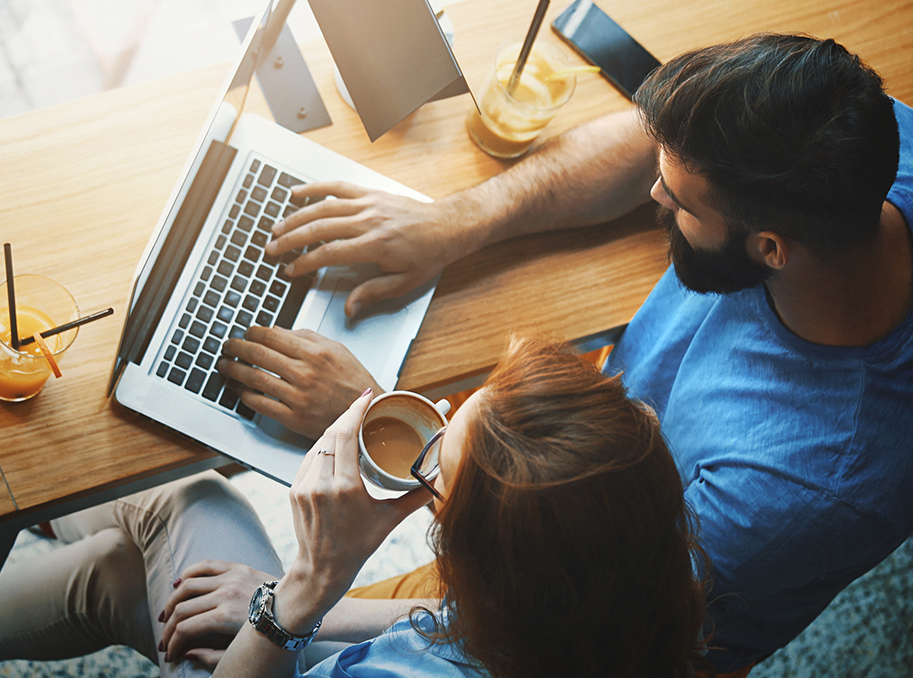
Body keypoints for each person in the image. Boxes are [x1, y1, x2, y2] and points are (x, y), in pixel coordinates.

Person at [214, 34, 913, 674]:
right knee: (132, 560)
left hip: (581, 619)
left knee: (178, 574)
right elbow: (655, 146)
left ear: (769, 249)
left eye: (679, 201)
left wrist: (388, 446)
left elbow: (559, 608)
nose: (653, 192)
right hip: (569, 510)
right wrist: (455, 222)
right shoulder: (851, 135)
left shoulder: (792, 491)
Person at [0, 338, 711, 678]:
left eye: (439, 485)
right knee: (131, 571)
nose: (422, 471)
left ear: (478, 557)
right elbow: (456, 617)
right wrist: (293, 608)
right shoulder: (625, 578)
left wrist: (298, 597)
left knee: (190, 504)